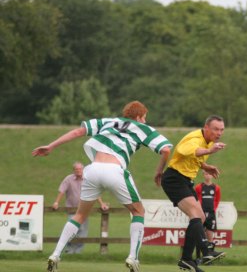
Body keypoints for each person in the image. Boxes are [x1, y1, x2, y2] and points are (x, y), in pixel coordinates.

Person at [32, 101, 172, 272]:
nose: (144, 121)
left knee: (80, 215)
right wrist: (159, 171)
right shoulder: (143, 128)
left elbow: (78, 131)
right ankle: (133, 258)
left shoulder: (107, 121)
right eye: (144, 118)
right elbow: (165, 150)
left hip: (91, 170)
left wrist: (50, 146)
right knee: (138, 212)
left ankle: (55, 254)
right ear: (138, 117)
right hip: (114, 171)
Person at [159, 115, 226, 272]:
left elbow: (193, 158)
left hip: (185, 180)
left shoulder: (207, 141)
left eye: (222, 130)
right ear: (206, 127)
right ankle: (206, 251)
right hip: (174, 178)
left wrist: (205, 166)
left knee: (200, 217)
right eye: (216, 129)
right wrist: (209, 150)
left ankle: (187, 260)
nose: (219, 133)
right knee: (196, 215)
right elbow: (189, 150)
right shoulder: (194, 138)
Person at [52, 161, 109, 254]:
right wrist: (56, 202)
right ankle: (69, 250)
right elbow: (62, 191)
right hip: (72, 209)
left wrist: (101, 203)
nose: (78, 171)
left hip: (84, 209)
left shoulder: (88, 179)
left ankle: (78, 251)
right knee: (71, 230)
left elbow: (94, 193)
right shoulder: (68, 179)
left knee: (83, 231)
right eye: (76, 169)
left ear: (83, 170)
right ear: (73, 170)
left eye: (80, 169)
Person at [194, 170, 221, 253]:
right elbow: (196, 199)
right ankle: (199, 256)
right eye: (206, 174)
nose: (208, 175)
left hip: (211, 214)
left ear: (212, 175)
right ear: (203, 175)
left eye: (209, 174)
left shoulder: (216, 188)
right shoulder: (199, 187)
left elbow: (217, 200)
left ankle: (210, 256)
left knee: (210, 235)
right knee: (200, 235)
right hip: (201, 213)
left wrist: (214, 209)